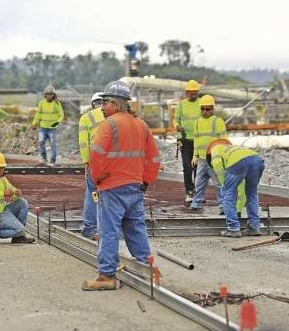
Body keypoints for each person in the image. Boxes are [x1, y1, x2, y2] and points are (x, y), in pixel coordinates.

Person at [82, 81, 161, 291]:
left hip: (111, 188)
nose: (101, 107)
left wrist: (97, 179)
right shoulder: (141, 125)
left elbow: (96, 154)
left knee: (108, 231)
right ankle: (146, 269)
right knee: (135, 228)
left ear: (116, 104)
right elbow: (154, 158)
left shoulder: (108, 125)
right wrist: (145, 181)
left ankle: (107, 275)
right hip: (135, 187)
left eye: (105, 102)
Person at [207, 141, 265, 238]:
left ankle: (233, 228)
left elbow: (217, 164)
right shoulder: (231, 148)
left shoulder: (215, 149)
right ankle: (254, 227)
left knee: (227, 194)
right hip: (257, 160)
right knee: (252, 194)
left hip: (238, 162)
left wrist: (223, 183)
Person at [0, 151, 36, 245]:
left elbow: (11, 189)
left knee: (22, 202)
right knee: (20, 229)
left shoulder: (3, 180)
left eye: (2, 168)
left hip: (2, 210)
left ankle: (18, 237)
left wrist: (16, 193)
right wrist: (3, 193)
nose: (1, 171)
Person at [189, 95, 227, 213]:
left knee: (219, 184)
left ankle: (223, 206)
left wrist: (221, 158)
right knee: (199, 183)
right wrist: (195, 156)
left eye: (208, 109)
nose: (205, 111)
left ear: (212, 109)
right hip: (202, 159)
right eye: (203, 109)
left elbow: (223, 141)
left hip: (214, 159)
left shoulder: (218, 121)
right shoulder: (197, 123)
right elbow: (196, 141)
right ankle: (196, 203)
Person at [78, 92, 105, 240]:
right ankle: (101, 230)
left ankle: (91, 229)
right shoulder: (113, 116)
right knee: (106, 195)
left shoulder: (86, 117)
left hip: (94, 162)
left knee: (92, 194)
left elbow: (83, 144)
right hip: (112, 162)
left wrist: (86, 163)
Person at [173, 80, 202, 202]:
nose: (193, 94)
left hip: (199, 140)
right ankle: (189, 191)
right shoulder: (181, 105)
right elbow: (176, 120)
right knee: (187, 166)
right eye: (191, 93)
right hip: (185, 140)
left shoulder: (201, 104)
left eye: (195, 92)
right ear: (186, 93)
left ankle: (198, 192)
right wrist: (177, 128)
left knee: (198, 167)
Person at [31, 85, 64, 166]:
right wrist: (34, 123)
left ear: (54, 95)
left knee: (53, 144)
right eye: (48, 94)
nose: (49, 95)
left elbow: (61, 115)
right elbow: (38, 114)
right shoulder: (42, 103)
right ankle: (44, 158)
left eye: (51, 94)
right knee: (41, 142)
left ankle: (53, 160)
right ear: (45, 94)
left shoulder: (57, 104)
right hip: (43, 127)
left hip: (52, 128)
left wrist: (57, 122)